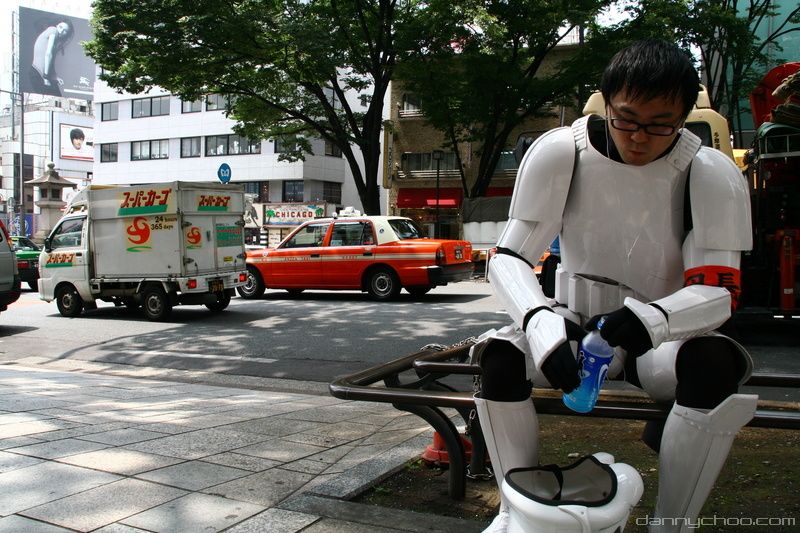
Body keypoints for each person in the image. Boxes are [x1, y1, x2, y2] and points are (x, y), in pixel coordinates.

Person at [474, 39, 757, 532]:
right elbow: (510, 257)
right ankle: (516, 509)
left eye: (660, 124)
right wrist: (539, 322)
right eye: (626, 119)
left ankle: (673, 524)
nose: (640, 138)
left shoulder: (709, 171)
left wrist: (654, 319)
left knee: (713, 364)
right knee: (499, 359)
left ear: (684, 116)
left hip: (658, 338)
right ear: (606, 103)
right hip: (573, 319)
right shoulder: (561, 152)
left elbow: (718, 290)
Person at [30, 21, 73, 96]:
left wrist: (55, 76)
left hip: (40, 74)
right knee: (55, 97)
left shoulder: (55, 41)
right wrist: (46, 77)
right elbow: (48, 54)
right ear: (56, 25)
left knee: (57, 97)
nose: (61, 31)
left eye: (65, 31)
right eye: (60, 27)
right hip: (38, 74)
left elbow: (50, 61)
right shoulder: (53, 30)